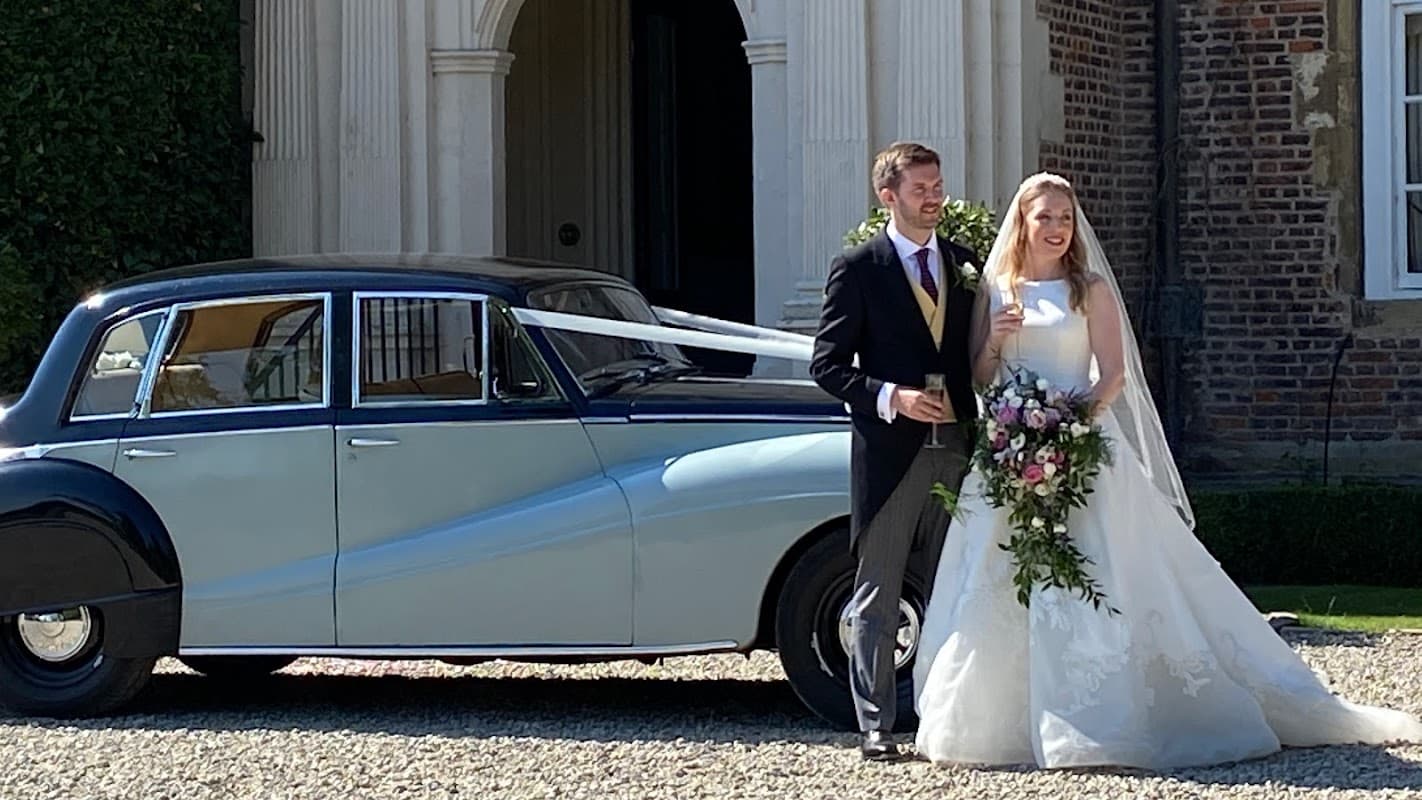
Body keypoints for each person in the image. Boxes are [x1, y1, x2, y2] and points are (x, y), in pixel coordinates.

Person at [911, 171, 1422, 769]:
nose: (1055, 228)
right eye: (1044, 217)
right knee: (1001, 579)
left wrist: (1066, 427)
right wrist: (996, 342)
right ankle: (1004, 723)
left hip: (1082, 445)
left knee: (1109, 573)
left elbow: (1112, 376)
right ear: (1022, 221)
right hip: (1011, 452)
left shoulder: (1089, 289)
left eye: (1064, 218)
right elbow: (979, 377)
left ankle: (1113, 716)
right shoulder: (999, 288)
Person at [809, 142, 980, 761]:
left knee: (953, 586)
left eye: (938, 187)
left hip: (959, 446)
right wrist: (891, 397)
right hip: (889, 455)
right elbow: (826, 367)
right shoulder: (859, 267)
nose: (934, 198)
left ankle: (944, 715)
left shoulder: (964, 264)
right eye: (921, 189)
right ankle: (876, 724)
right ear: (890, 195)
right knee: (879, 594)